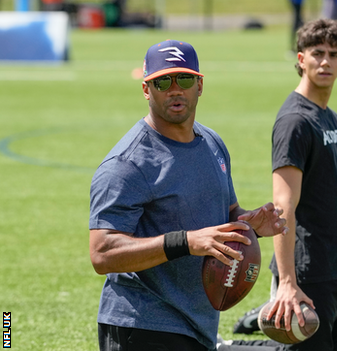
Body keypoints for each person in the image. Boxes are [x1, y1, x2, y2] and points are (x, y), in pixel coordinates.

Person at [89, 39, 287, 351]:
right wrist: (186, 242)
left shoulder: (212, 143)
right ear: (146, 90)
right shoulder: (127, 164)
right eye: (162, 81)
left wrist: (248, 224)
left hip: (198, 324)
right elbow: (102, 254)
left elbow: (227, 212)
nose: (175, 89)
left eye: (184, 79)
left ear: (199, 85)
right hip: (142, 325)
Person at [225, 19, 337, 351]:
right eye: (317, 53)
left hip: (336, 270)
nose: (326, 61)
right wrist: (287, 281)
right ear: (301, 59)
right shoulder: (295, 121)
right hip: (307, 272)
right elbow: (283, 206)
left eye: (335, 54)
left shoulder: (328, 115)